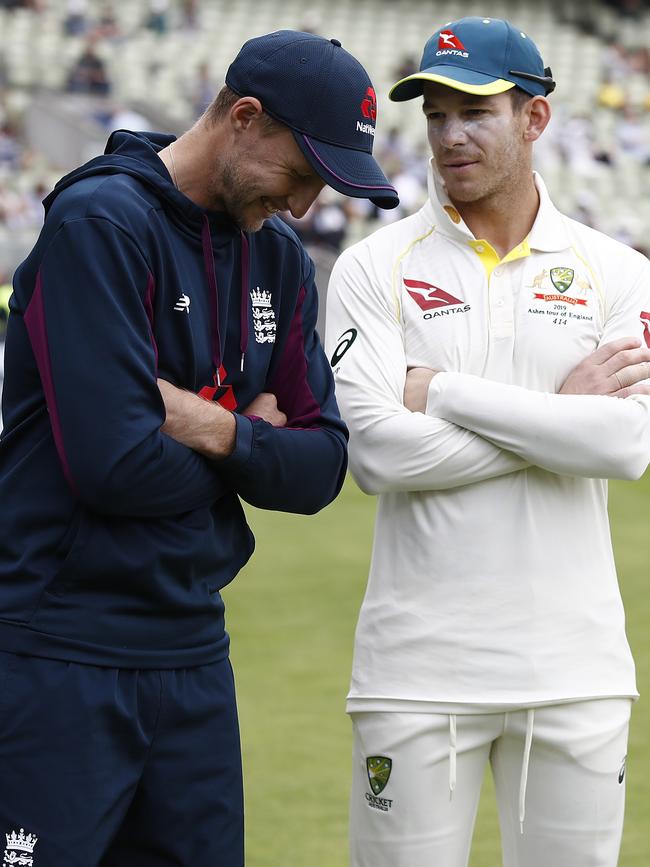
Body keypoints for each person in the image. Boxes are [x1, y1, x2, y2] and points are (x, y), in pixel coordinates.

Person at [0, 30, 398, 867]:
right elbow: (114, 465)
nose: (301, 205)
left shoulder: (279, 257)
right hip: (59, 648)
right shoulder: (100, 222)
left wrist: (210, 425)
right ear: (244, 117)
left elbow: (324, 465)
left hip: (193, 653)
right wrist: (256, 438)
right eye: (300, 172)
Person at [325, 16, 650, 867]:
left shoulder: (618, 271)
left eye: (474, 111)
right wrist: (558, 416)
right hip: (416, 673)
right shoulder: (373, 267)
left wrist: (445, 394)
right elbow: (379, 456)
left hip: (574, 670)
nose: (449, 135)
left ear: (534, 118)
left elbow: (624, 446)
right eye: (434, 114)